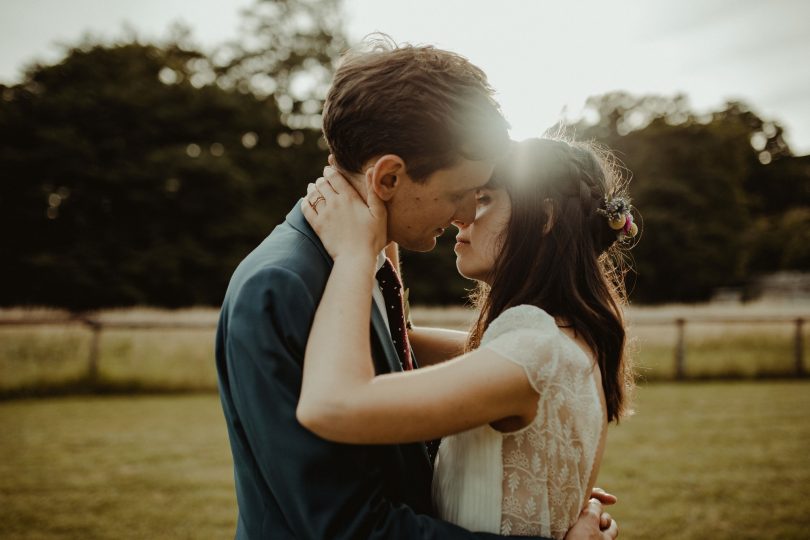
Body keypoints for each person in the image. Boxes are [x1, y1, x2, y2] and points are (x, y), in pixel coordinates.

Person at [216, 36, 618, 539]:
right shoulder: (282, 286)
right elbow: (346, 527)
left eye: (483, 197)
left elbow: (409, 352)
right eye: (460, 193)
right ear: (388, 179)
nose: (464, 214)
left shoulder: (363, 271)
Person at [297, 137, 636, 539]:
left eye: (485, 198)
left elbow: (331, 406)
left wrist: (354, 252)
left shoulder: (533, 350)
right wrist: (383, 209)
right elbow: (400, 339)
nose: (462, 215)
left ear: (544, 217)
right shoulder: (569, 343)